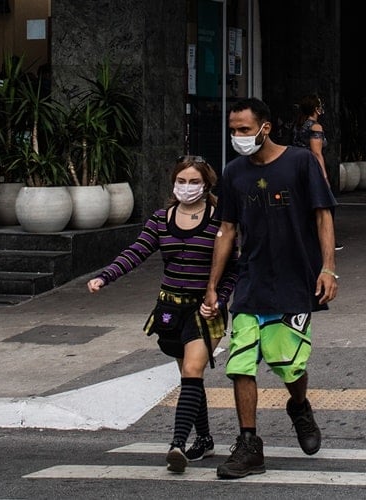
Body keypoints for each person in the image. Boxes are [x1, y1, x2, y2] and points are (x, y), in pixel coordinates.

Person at [202, 97, 338, 479]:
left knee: (287, 364)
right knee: (240, 363)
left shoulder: (300, 162)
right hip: (251, 281)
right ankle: (249, 445)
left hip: (296, 281)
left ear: (265, 127)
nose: (238, 137)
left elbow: (322, 215)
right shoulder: (233, 173)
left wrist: (329, 268)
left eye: (244, 129)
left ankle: (299, 406)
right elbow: (227, 230)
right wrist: (213, 287)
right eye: (233, 130)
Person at [86, 155, 237, 473]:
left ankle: (177, 445)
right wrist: (105, 276)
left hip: (203, 309)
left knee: (193, 371)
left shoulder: (219, 219)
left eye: (194, 181)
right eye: (181, 181)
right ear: (173, 183)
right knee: (189, 375)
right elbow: (136, 251)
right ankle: (205, 439)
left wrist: (220, 300)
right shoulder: (161, 218)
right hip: (170, 308)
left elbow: (233, 267)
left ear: (206, 184)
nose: (187, 187)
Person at [292, 93, 342, 250]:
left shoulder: (298, 124)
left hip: (296, 166)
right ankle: (327, 240)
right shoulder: (315, 127)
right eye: (320, 105)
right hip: (310, 168)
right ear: (316, 109)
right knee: (325, 204)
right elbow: (317, 152)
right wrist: (324, 175)